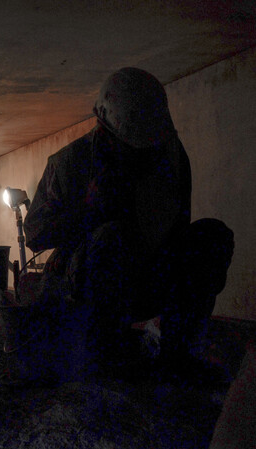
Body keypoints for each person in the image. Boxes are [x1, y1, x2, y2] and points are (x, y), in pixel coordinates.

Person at [20, 67, 234, 381]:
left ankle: (177, 355)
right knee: (112, 236)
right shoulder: (70, 162)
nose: (139, 156)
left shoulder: (169, 155)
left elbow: (179, 223)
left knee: (212, 235)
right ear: (103, 126)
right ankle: (104, 359)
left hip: (144, 279)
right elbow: (35, 235)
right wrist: (88, 210)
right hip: (80, 292)